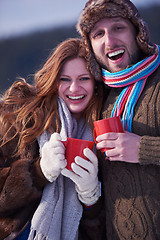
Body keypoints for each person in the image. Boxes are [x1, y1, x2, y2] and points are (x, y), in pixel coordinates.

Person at [0, 38, 105, 239]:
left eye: (84, 78)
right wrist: (39, 172)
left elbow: (99, 229)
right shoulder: (19, 115)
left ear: (96, 83)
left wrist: (91, 196)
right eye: (65, 79)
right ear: (53, 79)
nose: (74, 88)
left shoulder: (102, 130)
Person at [76, 0, 160, 239]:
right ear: (90, 46)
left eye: (118, 28)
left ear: (137, 32)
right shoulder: (98, 97)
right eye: (98, 34)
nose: (109, 41)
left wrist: (144, 149)